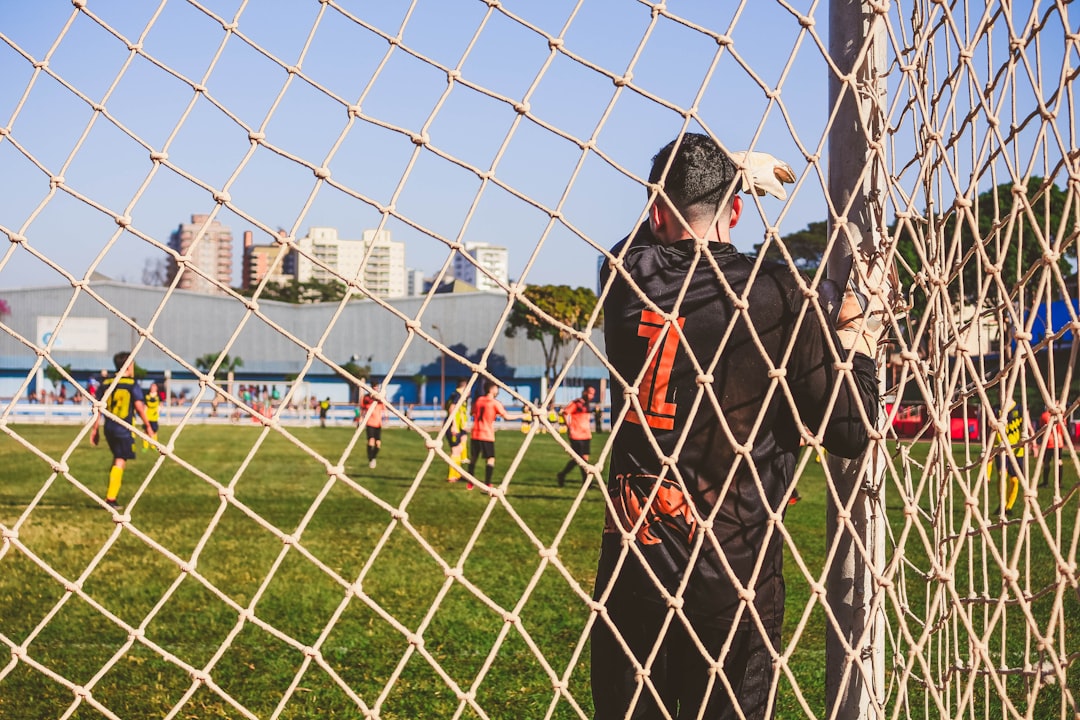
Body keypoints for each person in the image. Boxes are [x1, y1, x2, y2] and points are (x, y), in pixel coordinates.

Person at [592, 133, 883, 720]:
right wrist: (857, 337)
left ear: (655, 210)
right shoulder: (775, 292)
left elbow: (640, 234)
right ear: (739, 209)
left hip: (633, 561)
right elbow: (849, 429)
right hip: (732, 569)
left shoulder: (624, 275)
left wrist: (724, 175)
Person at [90, 352, 154, 509]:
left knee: (117, 457)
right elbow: (139, 406)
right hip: (123, 428)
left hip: (109, 427)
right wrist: (147, 425)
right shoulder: (131, 383)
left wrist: (95, 429)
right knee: (120, 459)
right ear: (129, 365)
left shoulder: (106, 383)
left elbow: (97, 407)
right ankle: (111, 499)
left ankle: (111, 496)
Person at [467, 380, 510, 489]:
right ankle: (488, 483)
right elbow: (506, 416)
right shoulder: (495, 403)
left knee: (474, 458)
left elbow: (472, 412)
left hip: (475, 433)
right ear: (491, 389)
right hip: (487, 434)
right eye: (496, 388)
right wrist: (522, 416)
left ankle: (470, 483)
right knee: (490, 459)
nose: (497, 390)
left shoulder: (479, 400)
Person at [557, 386, 597, 486]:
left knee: (584, 459)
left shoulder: (587, 405)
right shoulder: (576, 403)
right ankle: (587, 483)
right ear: (584, 392)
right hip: (576, 435)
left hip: (586, 435)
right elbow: (565, 413)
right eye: (590, 393)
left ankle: (563, 475)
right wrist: (569, 426)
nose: (592, 396)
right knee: (580, 459)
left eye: (593, 394)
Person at [446, 379, 470, 482]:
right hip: (453, 427)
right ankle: (452, 476)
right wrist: (454, 425)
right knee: (455, 450)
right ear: (465, 387)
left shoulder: (454, 394)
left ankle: (457, 474)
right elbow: (451, 408)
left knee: (459, 449)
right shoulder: (458, 395)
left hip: (457, 426)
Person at [1040, 406, 1067, 488]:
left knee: (1047, 462)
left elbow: (1042, 428)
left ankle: (1046, 482)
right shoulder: (1061, 415)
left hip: (1049, 442)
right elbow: (1064, 427)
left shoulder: (1045, 415)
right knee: (1059, 461)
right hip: (1058, 442)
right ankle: (1059, 483)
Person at [361, 383, 385, 468]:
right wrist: (360, 419)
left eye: (376, 386)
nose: (375, 388)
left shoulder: (380, 398)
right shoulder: (366, 398)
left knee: (378, 444)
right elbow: (362, 409)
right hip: (370, 423)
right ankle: (370, 459)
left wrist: (386, 417)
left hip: (378, 424)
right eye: (374, 386)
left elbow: (383, 408)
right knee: (371, 441)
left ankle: (373, 458)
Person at [143, 381, 160, 450]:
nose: (153, 388)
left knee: (154, 432)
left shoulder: (158, 397)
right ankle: (145, 446)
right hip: (147, 417)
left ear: (156, 388)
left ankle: (153, 446)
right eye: (152, 386)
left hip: (154, 418)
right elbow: (145, 406)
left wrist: (158, 412)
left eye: (154, 386)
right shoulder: (146, 396)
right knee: (146, 431)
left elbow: (160, 406)